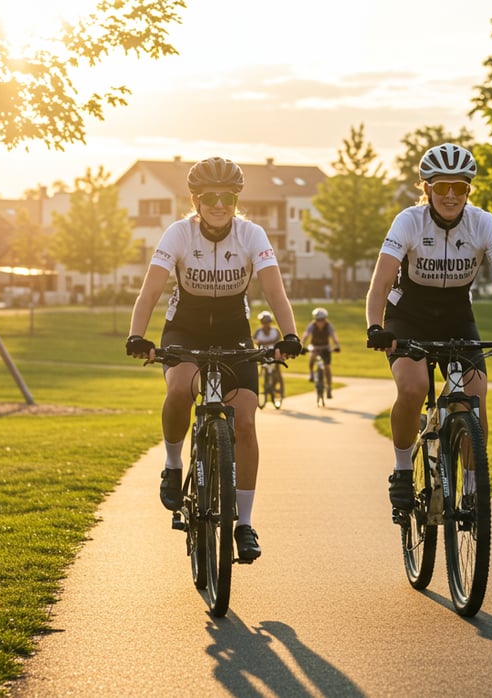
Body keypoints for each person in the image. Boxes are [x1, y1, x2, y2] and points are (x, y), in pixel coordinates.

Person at [126, 156, 301, 562]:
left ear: (236, 200)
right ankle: (173, 463)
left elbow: (274, 291)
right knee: (180, 390)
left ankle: (244, 524)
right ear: (196, 201)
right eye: (209, 198)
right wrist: (137, 335)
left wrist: (290, 335)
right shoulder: (179, 233)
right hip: (184, 329)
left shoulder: (251, 234)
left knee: (245, 422)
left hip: (233, 332)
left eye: (227, 198)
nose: (219, 205)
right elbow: (150, 291)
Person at [364, 143, 492, 512]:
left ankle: (473, 490)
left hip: (456, 316)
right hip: (408, 315)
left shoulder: (483, 223)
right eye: (442, 187)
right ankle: (402, 470)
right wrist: (375, 327)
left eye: (459, 187)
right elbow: (380, 283)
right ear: (426, 188)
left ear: (468, 190)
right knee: (413, 387)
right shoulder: (409, 221)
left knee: (474, 400)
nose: (450, 195)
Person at [303, 307, 341, 398]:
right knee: (312, 357)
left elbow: (333, 336)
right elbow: (306, 335)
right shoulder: (312, 326)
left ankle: (329, 388)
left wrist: (337, 345)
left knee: (327, 367)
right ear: (315, 320)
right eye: (318, 320)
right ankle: (311, 374)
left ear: (325, 319)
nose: (320, 322)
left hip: (325, 348)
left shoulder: (328, 326)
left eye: (322, 320)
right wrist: (301, 344)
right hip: (314, 346)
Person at [253, 310, 284, 391]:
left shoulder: (275, 331)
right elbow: (254, 341)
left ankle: (280, 387)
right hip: (263, 352)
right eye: (264, 322)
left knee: (277, 368)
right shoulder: (258, 332)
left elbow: (279, 341)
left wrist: (264, 343)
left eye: (268, 322)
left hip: (273, 352)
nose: (266, 324)